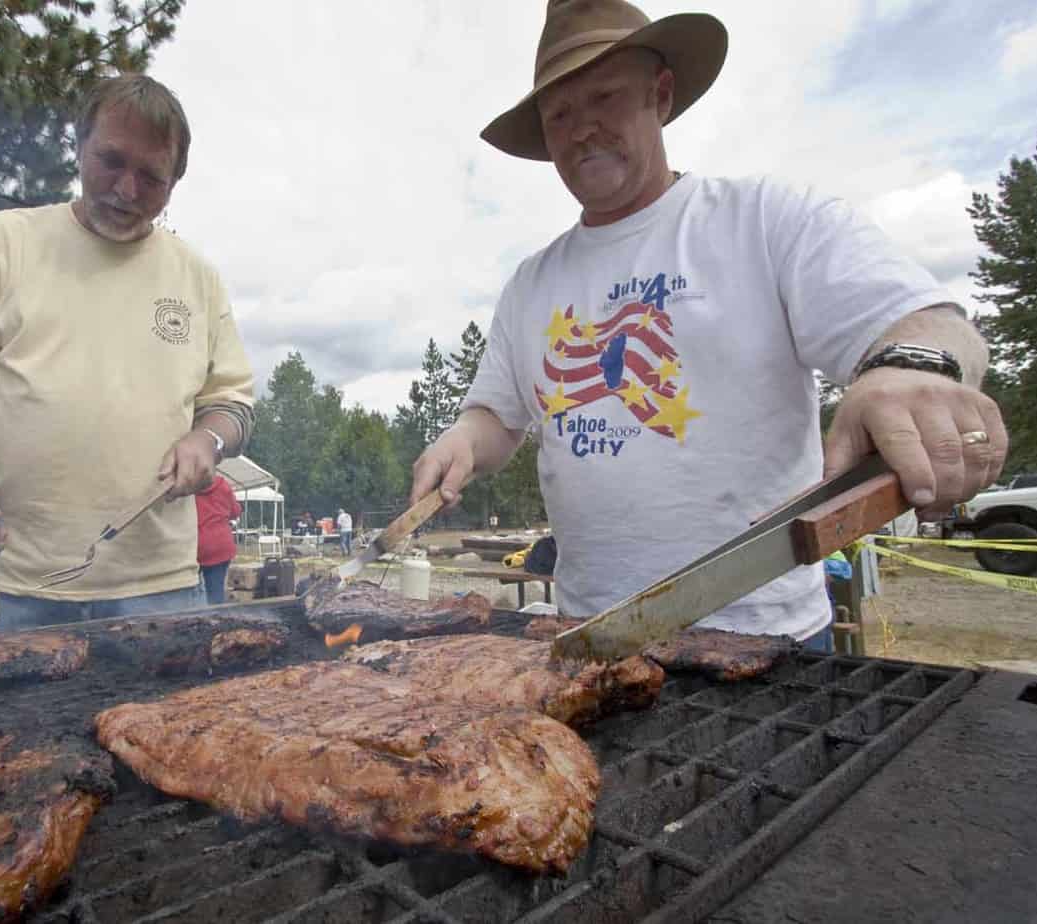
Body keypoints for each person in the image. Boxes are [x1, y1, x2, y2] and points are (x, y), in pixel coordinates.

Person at [412, 0, 1006, 651]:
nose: (582, 129)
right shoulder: (530, 284)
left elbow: (926, 324)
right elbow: (497, 418)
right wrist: (463, 442)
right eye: (559, 115)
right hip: (590, 639)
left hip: (765, 636)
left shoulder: (765, 219)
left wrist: (909, 369)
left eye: (604, 96)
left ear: (659, 95)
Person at [0, 74, 255, 632]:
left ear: (175, 181)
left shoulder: (198, 277)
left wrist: (205, 439)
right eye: (111, 161)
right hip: (15, 580)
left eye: (151, 177)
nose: (127, 190)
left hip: (160, 587)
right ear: (80, 145)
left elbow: (232, 404)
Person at [196, 474, 241, 605]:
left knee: (190, 593)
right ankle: (216, 622)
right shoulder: (223, 484)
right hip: (221, 545)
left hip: (196, 544)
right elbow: (235, 512)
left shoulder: (187, 485)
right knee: (215, 594)